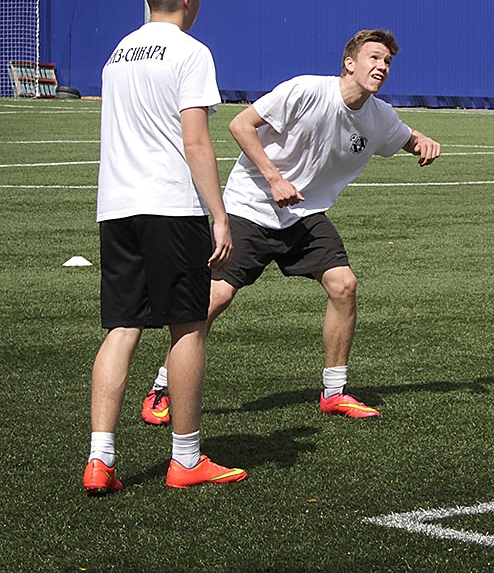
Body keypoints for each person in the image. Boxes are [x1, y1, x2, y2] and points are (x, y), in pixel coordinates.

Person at [139, 28, 441, 425]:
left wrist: (421, 141)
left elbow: (402, 137)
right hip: (251, 206)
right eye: (373, 57)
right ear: (349, 63)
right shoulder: (306, 90)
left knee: (344, 285)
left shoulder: (379, 116)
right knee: (214, 300)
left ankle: (334, 392)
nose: (382, 66)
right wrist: (274, 178)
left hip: (303, 214)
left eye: (387, 61)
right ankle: (162, 388)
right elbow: (240, 125)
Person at [86, 0, 247, 493]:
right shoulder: (191, 52)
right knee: (188, 325)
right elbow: (195, 140)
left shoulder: (118, 53)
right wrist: (219, 215)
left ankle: (100, 458)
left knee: (122, 327)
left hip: (117, 206)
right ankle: (186, 459)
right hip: (171, 206)